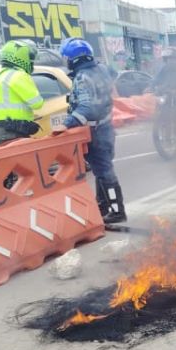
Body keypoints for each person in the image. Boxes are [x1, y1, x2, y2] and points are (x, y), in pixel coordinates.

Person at [60, 38, 126, 224]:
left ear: (74, 58)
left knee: (104, 171)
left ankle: (116, 209)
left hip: (95, 131)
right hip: (106, 126)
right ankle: (103, 206)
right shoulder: (102, 70)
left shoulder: (82, 77)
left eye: (66, 57)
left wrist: (68, 123)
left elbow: (86, 107)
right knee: (101, 170)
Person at [0, 40, 43, 147]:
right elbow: (37, 103)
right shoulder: (19, 75)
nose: (32, 63)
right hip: (13, 133)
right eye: (30, 60)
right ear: (22, 58)